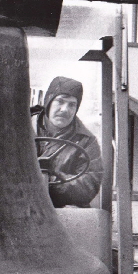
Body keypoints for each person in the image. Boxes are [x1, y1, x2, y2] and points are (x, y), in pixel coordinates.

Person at [35, 76, 103, 208]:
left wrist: (49, 179)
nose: (65, 109)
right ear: (48, 101)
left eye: (72, 104)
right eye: (60, 101)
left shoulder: (86, 141)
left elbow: (89, 185)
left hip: (61, 211)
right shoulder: (20, 128)